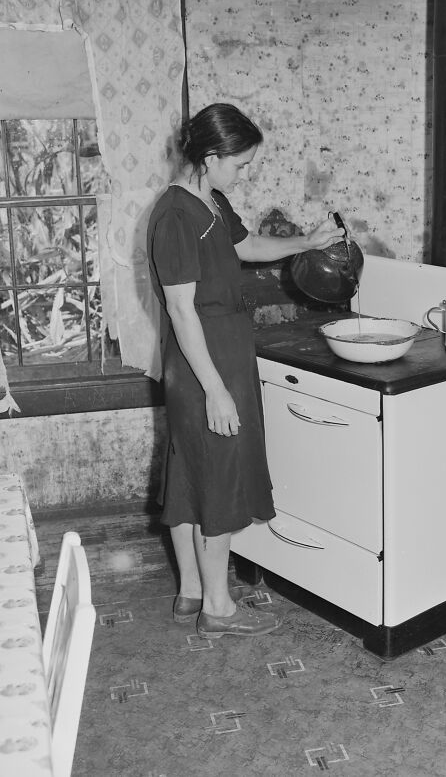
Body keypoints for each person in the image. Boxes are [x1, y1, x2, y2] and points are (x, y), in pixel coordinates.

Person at [146, 102, 343, 638]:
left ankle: (191, 590)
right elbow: (182, 310)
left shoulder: (210, 200)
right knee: (220, 477)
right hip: (203, 362)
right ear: (210, 157)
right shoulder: (174, 216)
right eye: (241, 163)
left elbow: (247, 246)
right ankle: (219, 608)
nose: (244, 172)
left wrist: (309, 242)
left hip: (223, 350)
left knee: (189, 474)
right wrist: (215, 389)